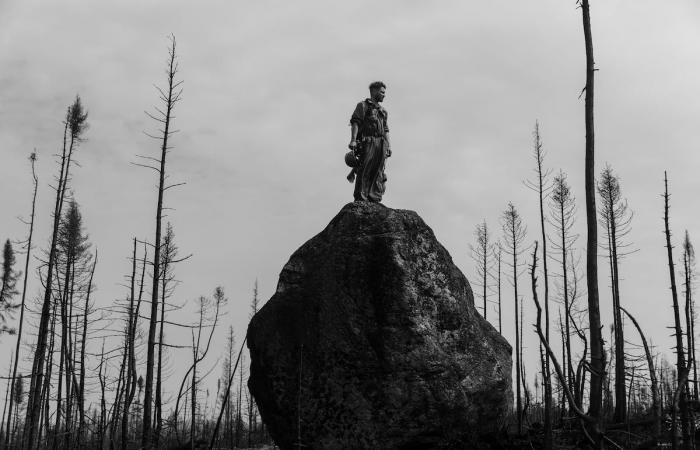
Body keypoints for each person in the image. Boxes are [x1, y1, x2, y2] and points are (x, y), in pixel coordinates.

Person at [348, 81, 392, 203]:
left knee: (378, 170)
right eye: (382, 92)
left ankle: (374, 197)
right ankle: (361, 196)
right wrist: (353, 140)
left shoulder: (383, 111)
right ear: (374, 91)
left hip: (381, 143)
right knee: (365, 167)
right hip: (368, 141)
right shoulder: (362, 105)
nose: (384, 95)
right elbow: (355, 122)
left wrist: (388, 145)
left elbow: (386, 130)